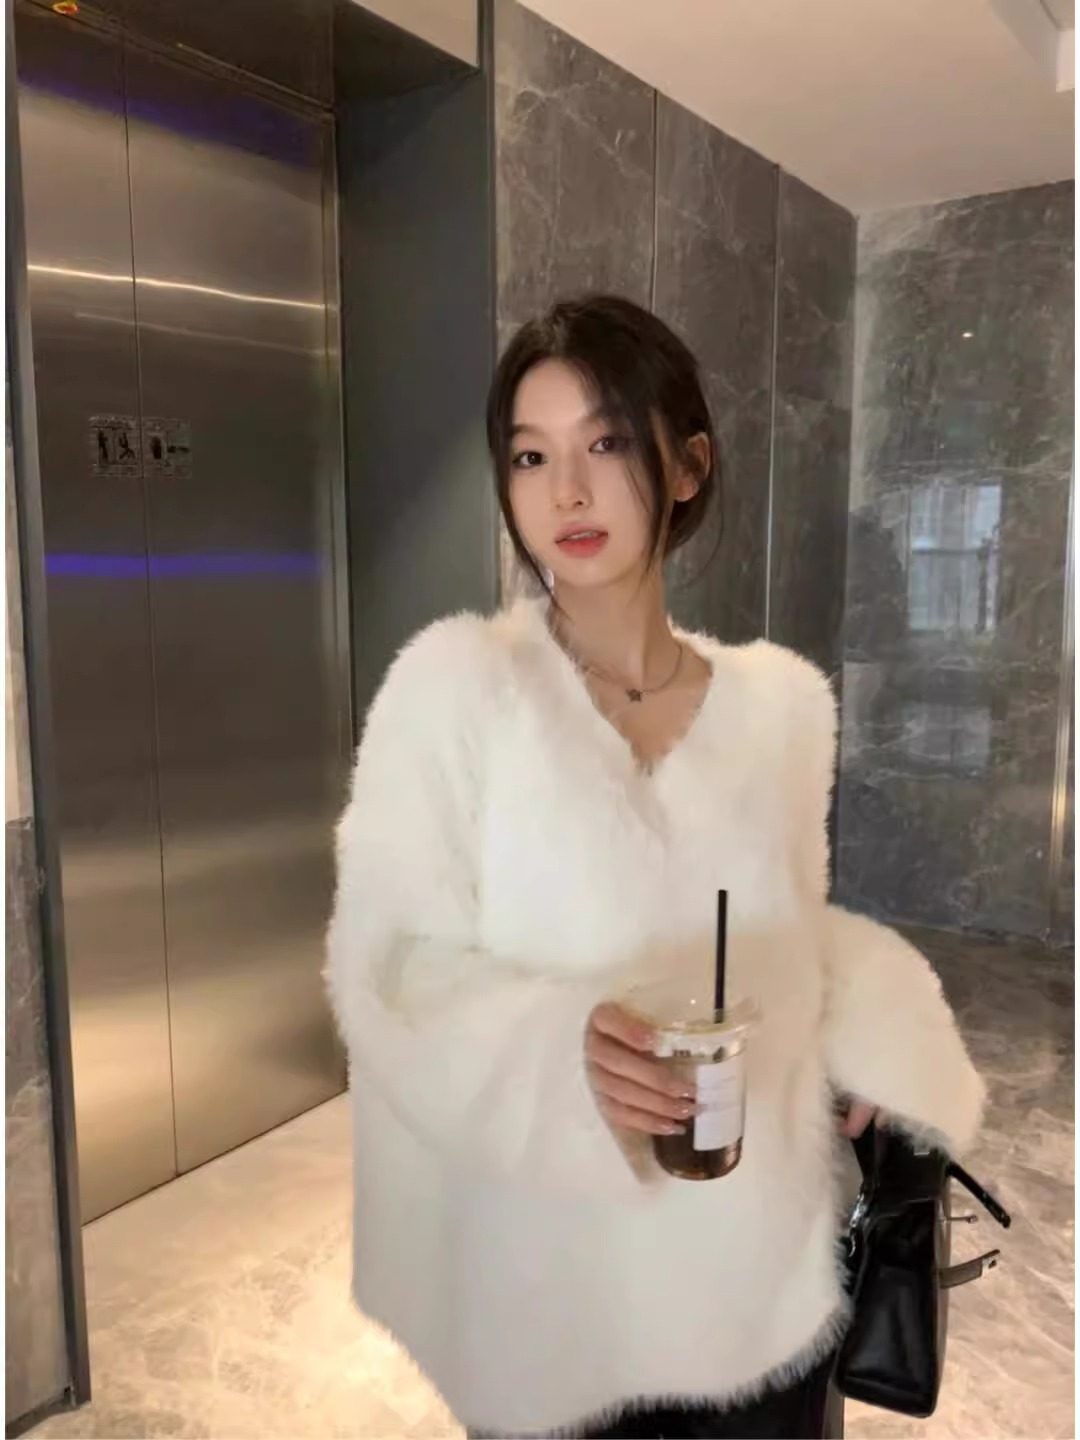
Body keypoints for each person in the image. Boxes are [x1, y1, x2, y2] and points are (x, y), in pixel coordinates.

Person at [324, 295, 984, 1439]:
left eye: (607, 443)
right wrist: (556, 1050)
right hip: (552, 1284)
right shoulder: (455, 692)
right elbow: (388, 966)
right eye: (531, 456)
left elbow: (789, 930)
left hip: (752, 1263)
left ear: (687, 466)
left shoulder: (781, 708)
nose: (567, 493)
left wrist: (868, 1023)